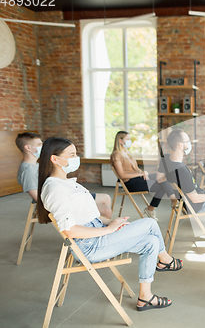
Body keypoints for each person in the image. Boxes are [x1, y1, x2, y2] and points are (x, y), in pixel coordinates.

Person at [38, 137, 182, 311]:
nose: (77, 157)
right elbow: (69, 230)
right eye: (72, 154)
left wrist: (112, 222)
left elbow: (87, 216)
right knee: (150, 223)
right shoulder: (54, 188)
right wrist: (109, 229)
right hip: (90, 246)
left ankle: (145, 297)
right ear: (55, 159)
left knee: (151, 242)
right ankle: (166, 260)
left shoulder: (66, 183)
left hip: (98, 233)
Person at [15, 132, 112, 218]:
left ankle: (96, 225)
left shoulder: (36, 165)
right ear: (28, 148)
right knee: (105, 209)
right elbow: (38, 197)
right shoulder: (28, 170)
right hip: (61, 200)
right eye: (40, 145)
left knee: (105, 199)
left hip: (66, 195)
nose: (42, 147)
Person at [159, 129, 205, 237]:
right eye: (187, 141)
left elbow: (160, 179)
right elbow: (195, 198)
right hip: (198, 204)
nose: (190, 143)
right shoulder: (181, 171)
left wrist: (173, 196)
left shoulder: (167, 160)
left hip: (196, 197)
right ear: (180, 145)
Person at [110, 131, 175, 220]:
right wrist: (140, 173)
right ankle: (172, 201)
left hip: (138, 178)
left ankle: (172, 200)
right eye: (128, 139)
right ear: (120, 141)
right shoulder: (116, 154)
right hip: (131, 183)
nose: (130, 141)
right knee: (161, 185)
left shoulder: (127, 153)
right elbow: (121, 175)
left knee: (163, 176)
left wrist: (143, 172)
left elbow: (135, 168)